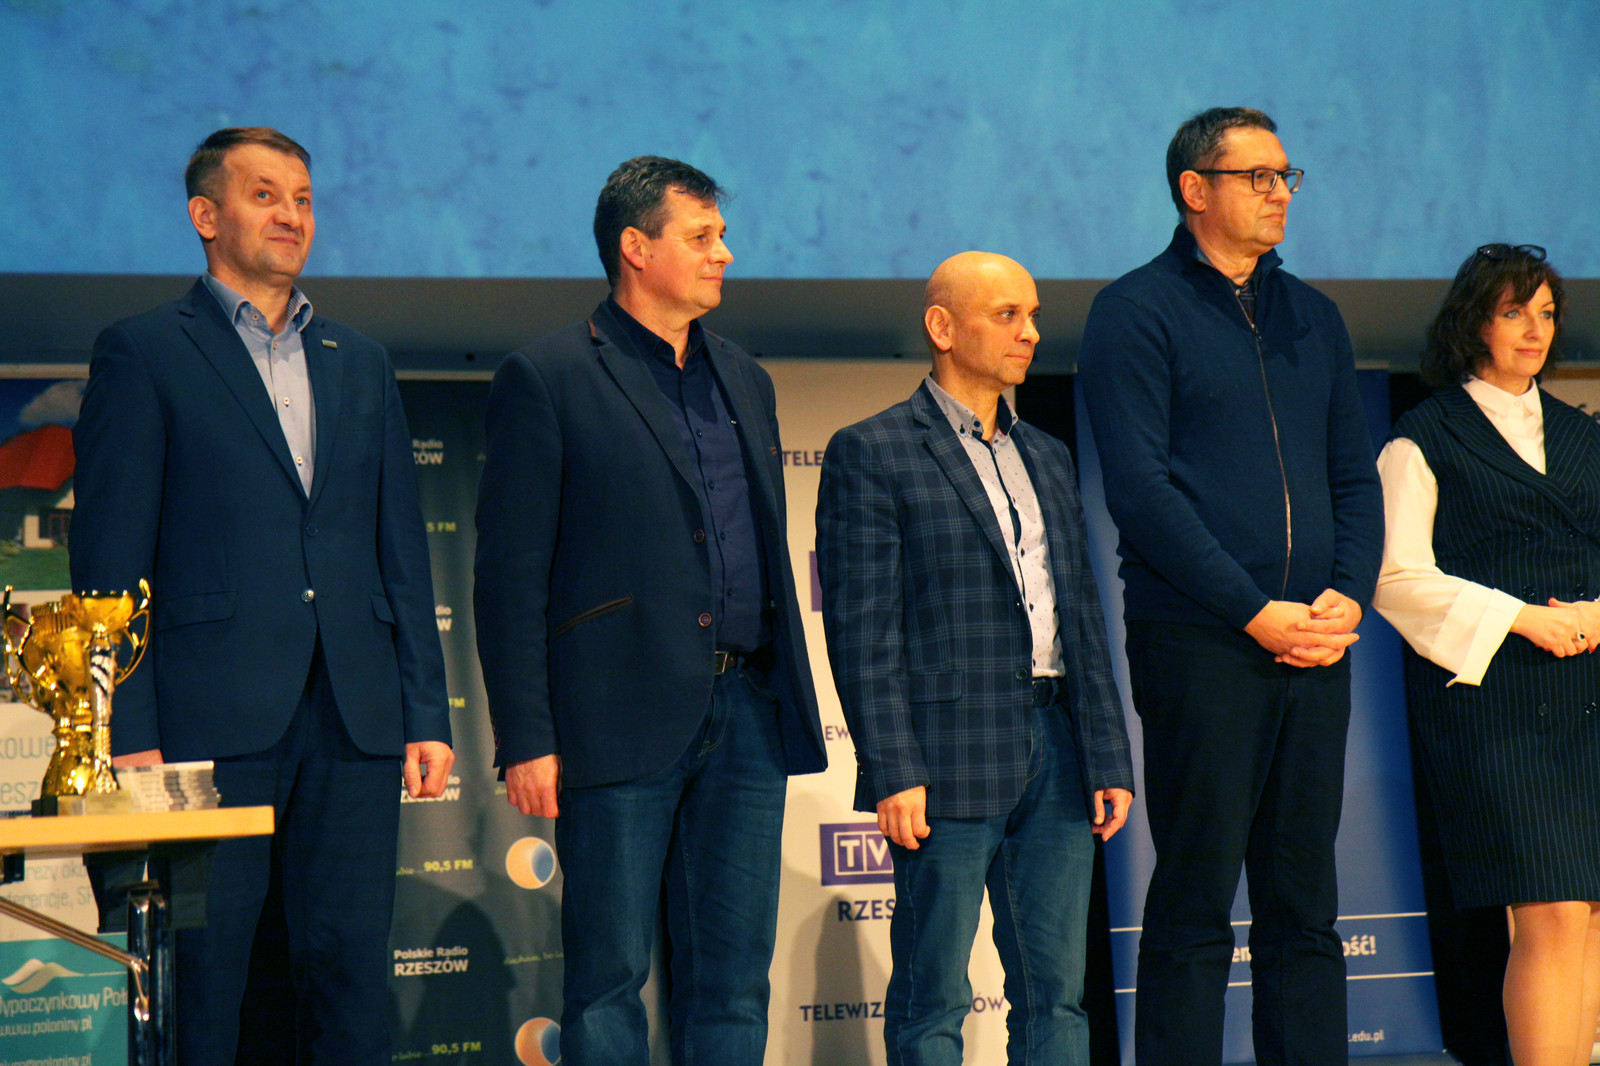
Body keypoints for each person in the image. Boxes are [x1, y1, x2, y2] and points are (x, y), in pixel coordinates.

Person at [70, 127, 454, 1064]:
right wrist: (125, 728)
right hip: (203, 722)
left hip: (354, 715)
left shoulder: (360, 359)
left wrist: (424, 711)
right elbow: (110, 561)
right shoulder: (145, 351)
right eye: (266, 194)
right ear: (206, 216)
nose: (292, 215)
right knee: (205, 983)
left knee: (349, 977)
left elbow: (400, 552)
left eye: (304, 199)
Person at [473, 156, 827, 1066]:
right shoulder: (548, 374)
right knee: (609, 978)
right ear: (636, 248)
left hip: (748, 710)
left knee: (734, 977)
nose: (725, 254)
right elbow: (509, 575)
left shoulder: (744, 376)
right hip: (616, 713)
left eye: (722, 235)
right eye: (701, 237)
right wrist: (526, 734)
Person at [1076, 107, 1384, 1065]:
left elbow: (1352, 476)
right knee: (1196, 897)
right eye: (1259, 176)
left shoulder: (1315, 317)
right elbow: (1141, 490)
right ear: (1195, 189)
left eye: (1287, 175)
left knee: (1306, 903)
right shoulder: (1136, 310)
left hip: (1316, 642)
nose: (1280, 192)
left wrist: (1348, 592)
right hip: (1202, 641)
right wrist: (1253, 611)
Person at [817, 251, 1135, 1065]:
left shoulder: (1050, 455)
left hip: (1059, 747)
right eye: (1006, 315)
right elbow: (862, 631)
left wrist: (1107, 754)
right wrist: (892, 768)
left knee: (1056, 995)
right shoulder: (874, 450)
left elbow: (1081, 615)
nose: (1030, 333)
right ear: (942, 326)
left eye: (1033, 316)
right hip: (944, 754)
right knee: (935, 998)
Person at [1372, 243, 1600, 1066]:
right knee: (1549, 911)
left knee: (1590, 913)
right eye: (1513, 312)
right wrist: (1520, 619)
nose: (1534, 330)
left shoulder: (1582, 434)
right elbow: (1396, 578)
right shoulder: (1422, 437)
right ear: (1474, 323)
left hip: (1589, 687)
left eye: (1546, 314)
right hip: (1496, 702)